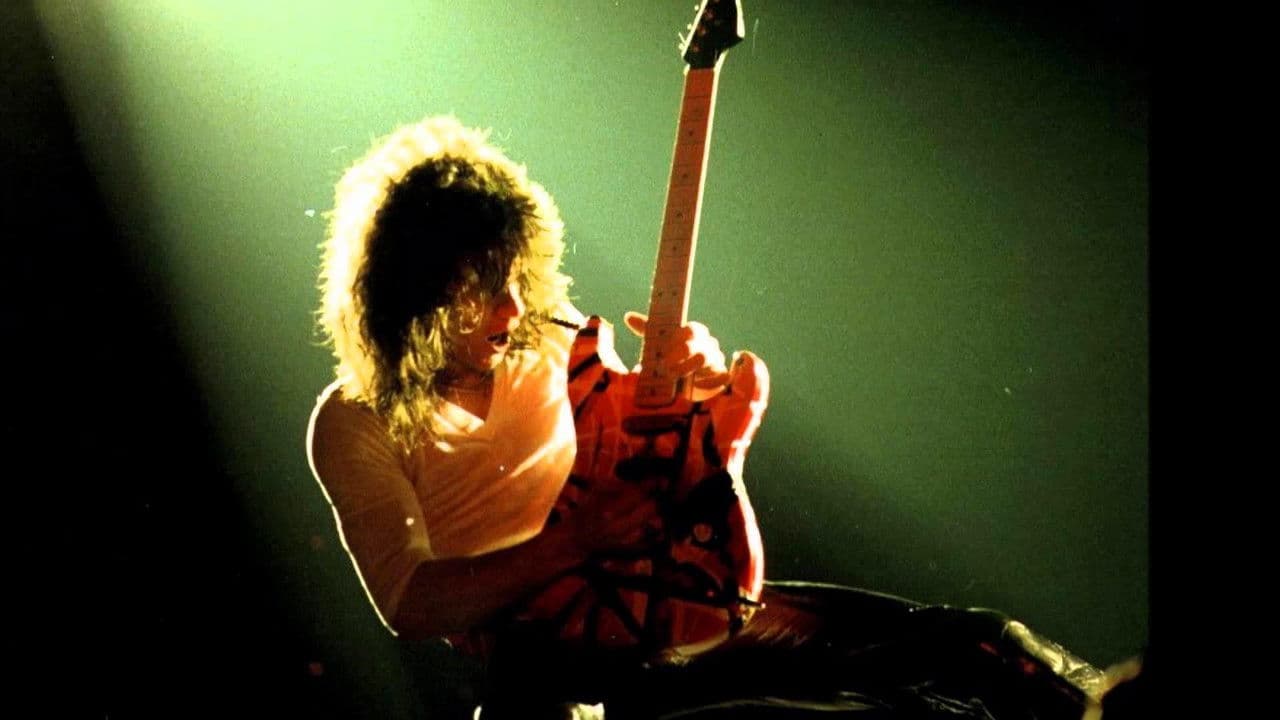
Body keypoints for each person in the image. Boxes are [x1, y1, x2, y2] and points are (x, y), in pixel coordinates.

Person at [306, 115, 1122, 719]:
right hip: (538, 658)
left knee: (980, 649)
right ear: (414, 294)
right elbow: (411, 604)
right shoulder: (352, 420)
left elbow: (651, 446)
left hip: (661, 605)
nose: (513, 307)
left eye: (517, 279)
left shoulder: (551, 343)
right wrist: (572, 543)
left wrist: (698, 402)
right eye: (481, 290)